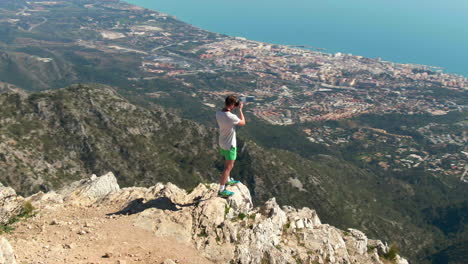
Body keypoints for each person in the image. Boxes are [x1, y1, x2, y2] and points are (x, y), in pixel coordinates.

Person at [215, 95, 246, 197]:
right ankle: (222, 189)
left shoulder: (218, 113)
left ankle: (228, 179)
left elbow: (226, 112)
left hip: (222, 142)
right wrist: (240, 110)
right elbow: (243, 122)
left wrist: (232, 106)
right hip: (230, 144)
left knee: (227, 162)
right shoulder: (231, 117)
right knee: (229, 166)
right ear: (233, 105)